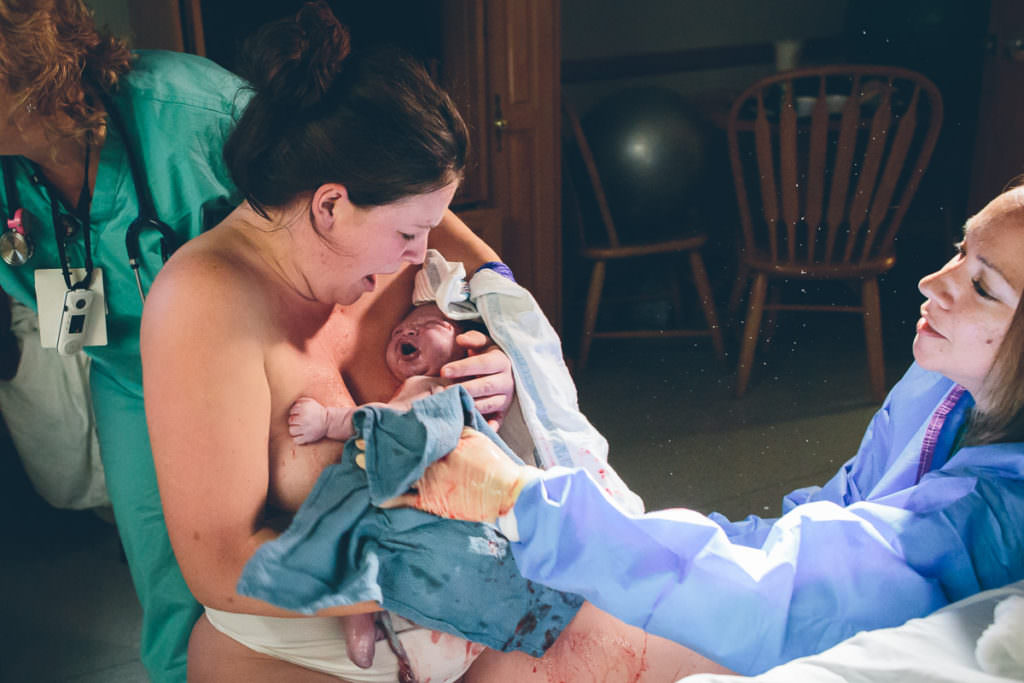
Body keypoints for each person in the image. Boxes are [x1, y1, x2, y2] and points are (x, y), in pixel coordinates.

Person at [389, 184, 1024, 678]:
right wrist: (633, 532)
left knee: (554, 651)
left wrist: (523, 501)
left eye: (982, 288)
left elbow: (796, 587)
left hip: (814, 620)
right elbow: (832, 515)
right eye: (959, 251)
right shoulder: (941, 385)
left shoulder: (995, 514)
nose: (931, 282)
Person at [140, 4, 522, 681]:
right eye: (410, 235)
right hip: (298, 647)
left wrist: (504, 362)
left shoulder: (389, 235)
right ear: (328, 205)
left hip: (465, 616)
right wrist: (406, 575)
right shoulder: (202, 302)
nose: (423, 254)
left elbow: (489, 283)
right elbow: (218, 564)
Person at [0, 2, 245, 680]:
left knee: (274, 568)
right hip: (130, 380)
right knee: (167, 589)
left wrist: (488, 277)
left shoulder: (197, 116)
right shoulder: (8, 175)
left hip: (251, 376)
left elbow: (363, 200)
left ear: (21, 54)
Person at [288, 302, 477, 445]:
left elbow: (385, 420)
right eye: (397, 332)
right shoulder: (423, 386)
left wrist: (328, 421)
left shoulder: (444, 387)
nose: (408, 332)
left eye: (429, 325)